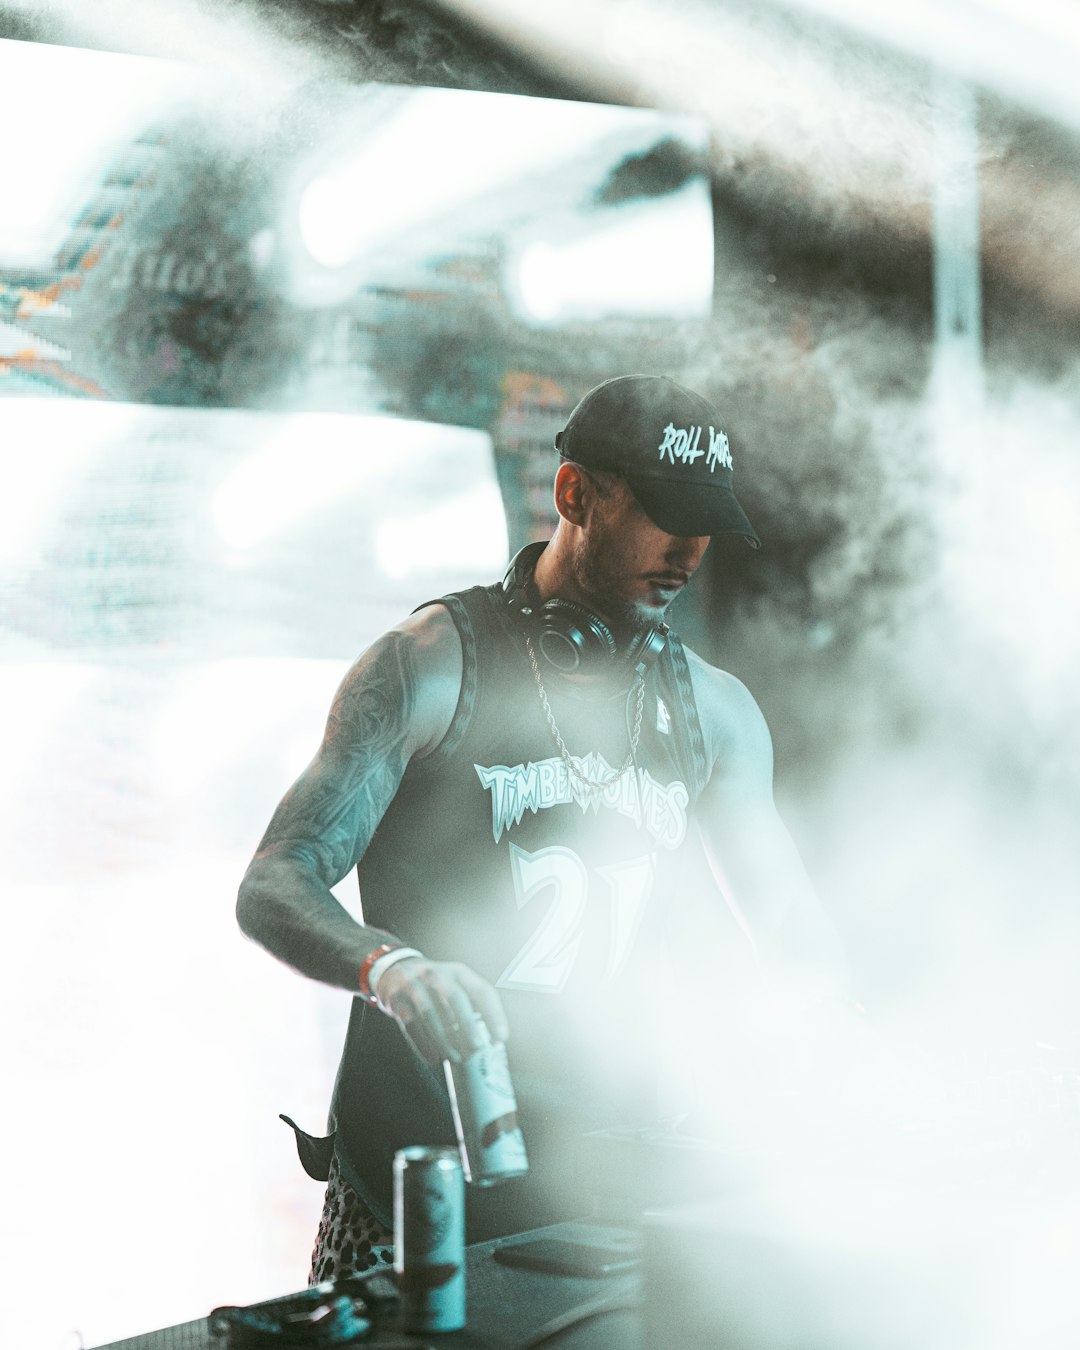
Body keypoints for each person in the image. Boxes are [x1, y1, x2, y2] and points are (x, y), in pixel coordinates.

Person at [236, 373, 848, 1282]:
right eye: (663, 514)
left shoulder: (715, 713)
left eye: (706, 523)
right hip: (412, 1190)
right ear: (576, 495)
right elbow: (275, 880)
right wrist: (391, 970)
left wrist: (824, 1017)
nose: (688, 551)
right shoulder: (431, 664)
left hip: (603, 1191)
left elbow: (792, 928)